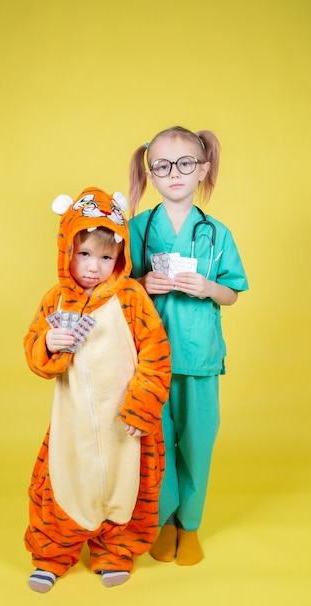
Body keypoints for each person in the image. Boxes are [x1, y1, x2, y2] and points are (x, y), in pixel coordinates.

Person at [23, 186, 171, 592]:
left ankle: (115, 550)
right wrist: (47, 346)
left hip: (125, 420)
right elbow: (34, 354)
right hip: (72, 420)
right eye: (84, 253)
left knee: (130, 488)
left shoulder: (132, 298)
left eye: (106, 257)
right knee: (62, 482)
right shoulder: (56, 301)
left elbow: (157, 354)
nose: (93, 267)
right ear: (66, 250)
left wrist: (142, 406)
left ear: (120, 259)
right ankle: (52, 553)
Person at [128, 126, 248, 566]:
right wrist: (142, 282)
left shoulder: (217, 233)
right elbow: (116, 289)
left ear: (203, 170)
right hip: (148, 359)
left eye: (185, 164)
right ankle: (163, 523)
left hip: (198, 357)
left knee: (198, 442)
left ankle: (190, 527)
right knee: (154, 444)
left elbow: (232, 292)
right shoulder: (138, 229)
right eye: (162, 166)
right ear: (151, 174)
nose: (174, 173)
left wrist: (207, 287)